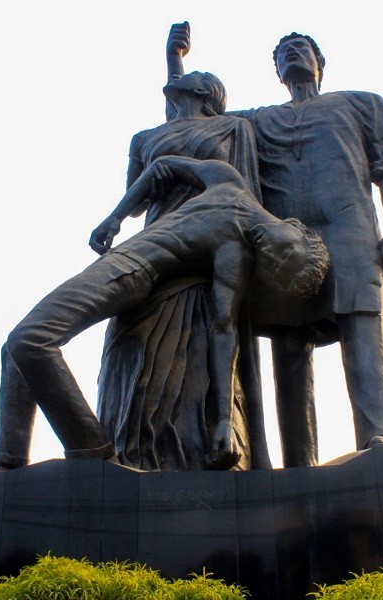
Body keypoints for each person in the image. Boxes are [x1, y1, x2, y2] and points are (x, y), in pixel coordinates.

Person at [168, 26, 383, 466]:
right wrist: (175, 61)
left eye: (301, 48)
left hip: (349, 227)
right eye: (283, 53)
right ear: (277, 71)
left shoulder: (362, 103)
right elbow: (189, 122)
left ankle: (380, 437)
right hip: (284, 238)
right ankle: (300, 464)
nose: (292, 54)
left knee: (361, 320)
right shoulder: (256, 120)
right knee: (289, 343)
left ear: (320, 62)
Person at [0, 156, 329, 471]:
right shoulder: (228, 181)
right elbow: (161, 166)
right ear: (294, 225)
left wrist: (224, 419)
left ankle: (94, 455)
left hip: (133, 274)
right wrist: (116, 217)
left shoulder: (235, 253)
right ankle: (10, 465)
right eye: (285, 250)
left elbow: (223, 328)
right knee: (17, 349)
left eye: (276, 264)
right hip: (117, 261)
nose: (271, 253)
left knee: (30, 340)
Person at [94, 69, 270, 471]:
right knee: (131, 348)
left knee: (200, 346)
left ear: (207, 91)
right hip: (155, 244)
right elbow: (137, 197)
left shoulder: (234, 128)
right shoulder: (145, 138)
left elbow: (246, 195)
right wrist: (116, 219)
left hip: (208, 251)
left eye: (194, 73)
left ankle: (208, 445)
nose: (185, 75)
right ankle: (129, 460)